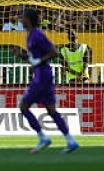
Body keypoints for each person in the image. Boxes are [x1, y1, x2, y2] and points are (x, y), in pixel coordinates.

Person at [13, 8, 79, 154]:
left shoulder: (37, 35)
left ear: (28, 20)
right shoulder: (30, 36)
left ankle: (43, 137)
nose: (20, 20)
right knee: (51, 110)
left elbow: (53, 52)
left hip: (42, 76)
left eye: (22, 17)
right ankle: (70, 141)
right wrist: (22, 56)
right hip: (43, 74)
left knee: (24, 106)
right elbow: (34, 58)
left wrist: (38, 62)